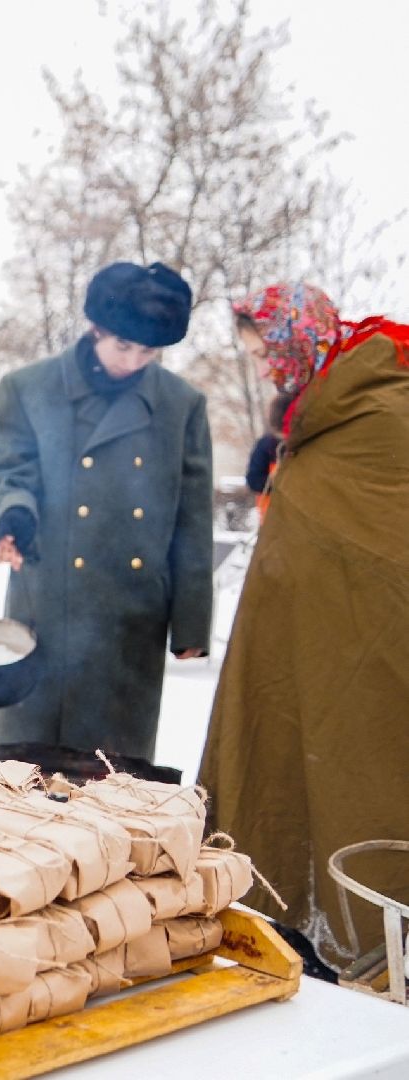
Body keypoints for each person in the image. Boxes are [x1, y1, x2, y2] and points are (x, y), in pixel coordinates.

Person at [199, 283, 409, 969]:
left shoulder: (377, 419)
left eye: (264, 352)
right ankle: (298, 921)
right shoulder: (311, 420)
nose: (260, 365)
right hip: (300, 644)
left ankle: (373, 938)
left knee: (362, 779)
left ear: (296, 343)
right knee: (289, 767)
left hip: (369, 653)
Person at [0, 261, 213, 763]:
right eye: (123, 346)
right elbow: (11, 470)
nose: (133, 361)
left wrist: (191, 623)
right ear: (96, 330)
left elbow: (193, 519)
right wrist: (13, 519)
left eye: (148, 351)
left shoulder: (182, 405)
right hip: (46, 599)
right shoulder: (29, 388)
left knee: (112, 775)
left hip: (131, 617)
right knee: (21, 773)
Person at [245, 389, 294, 521]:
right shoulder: (266, 446)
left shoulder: (303, 445)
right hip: (272, 516)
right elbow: (253, 480)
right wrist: (275, 481)